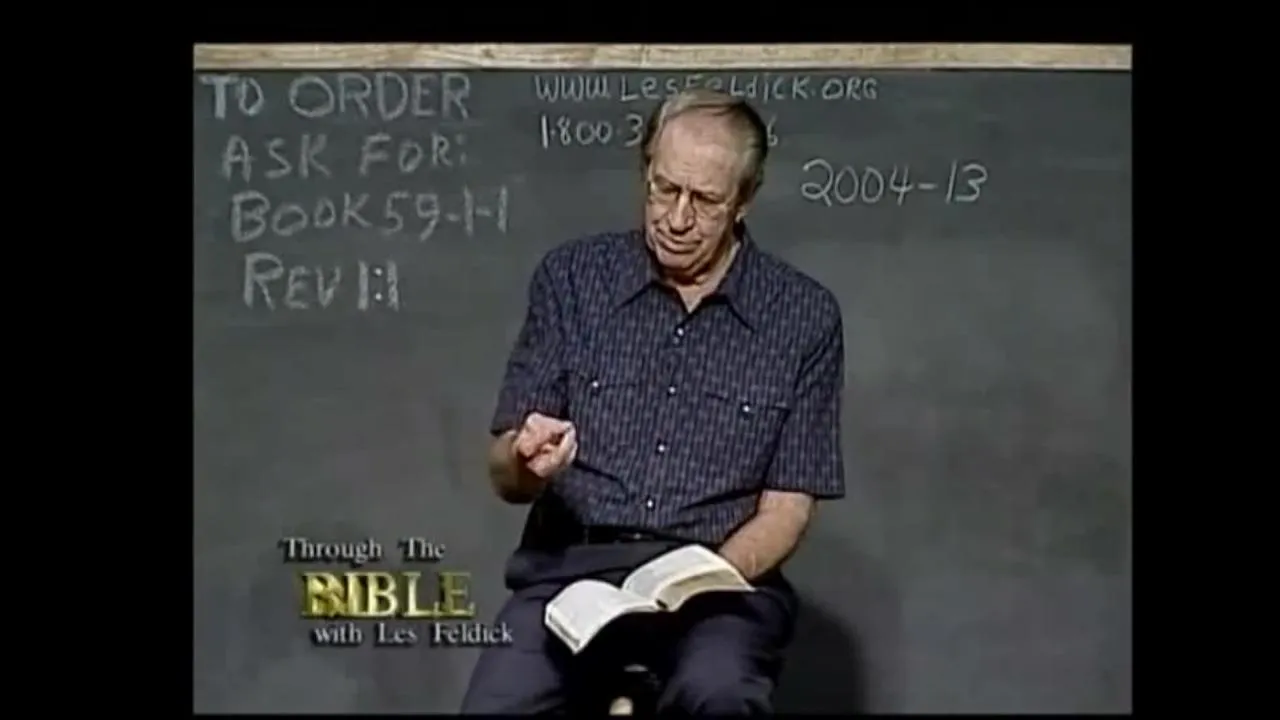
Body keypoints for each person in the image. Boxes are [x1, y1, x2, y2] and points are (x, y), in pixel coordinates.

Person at [461, 88, 846, 714]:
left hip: (720, 584)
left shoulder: (804, 316)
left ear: (745, 200)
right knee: (495, 706)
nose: (677, 218)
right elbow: (505, 474)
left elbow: (787, 508)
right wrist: (526, 461)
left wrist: (702, 579)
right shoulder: (573, 279)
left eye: (705, 200)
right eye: (665, 189)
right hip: (571, 573)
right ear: (646, 172)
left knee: (720, 692)